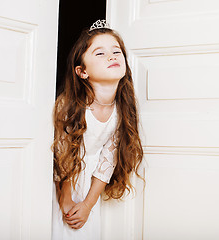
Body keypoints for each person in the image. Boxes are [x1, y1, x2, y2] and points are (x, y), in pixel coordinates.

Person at [51, 20, 143, 240]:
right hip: (64, 180)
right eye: (100, 54)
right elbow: (64, 154)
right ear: (82, 71)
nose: (112, 56)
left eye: (116, 51)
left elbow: (107, 162)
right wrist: (66, 198)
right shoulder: (70, 105)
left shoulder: (121, 110)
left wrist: (88, 205)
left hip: (91, 184)